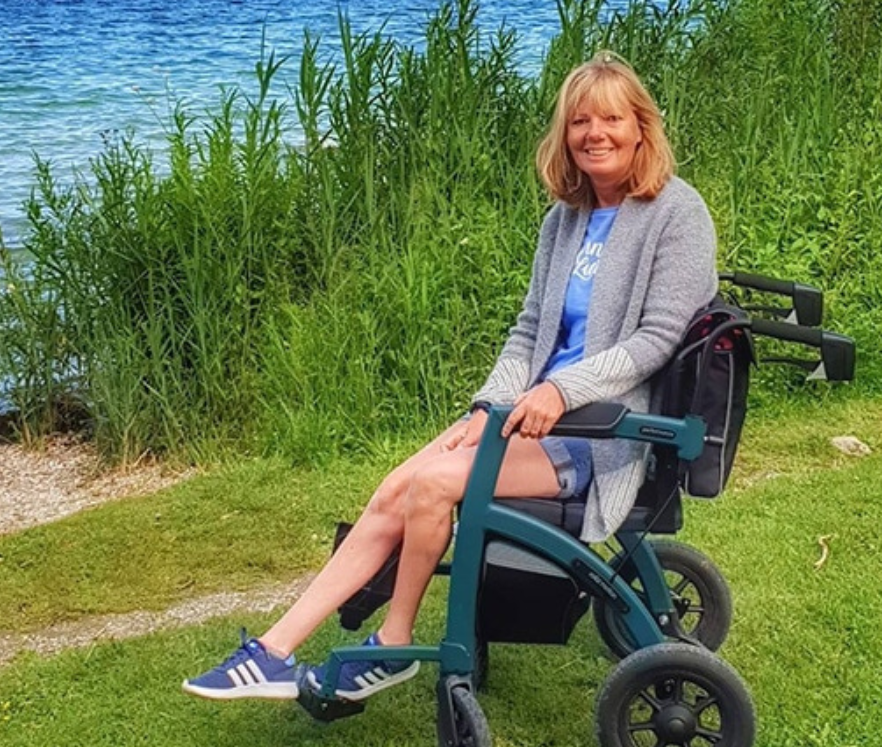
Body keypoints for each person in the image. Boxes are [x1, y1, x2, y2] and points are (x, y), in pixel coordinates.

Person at [182, 53, 718, 702]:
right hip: (528, 417)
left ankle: (393, 644)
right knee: (395, 487)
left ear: (640, 128)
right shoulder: (565, 220)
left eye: (611, 119)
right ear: (565, 133)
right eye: (580, 121)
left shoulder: (676, 213)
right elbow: (529, 332)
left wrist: (560, 391)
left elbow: (655, 340)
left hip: (598, 433)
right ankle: (272, 651)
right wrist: (488, 407)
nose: (594, 134)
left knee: (433, 486)